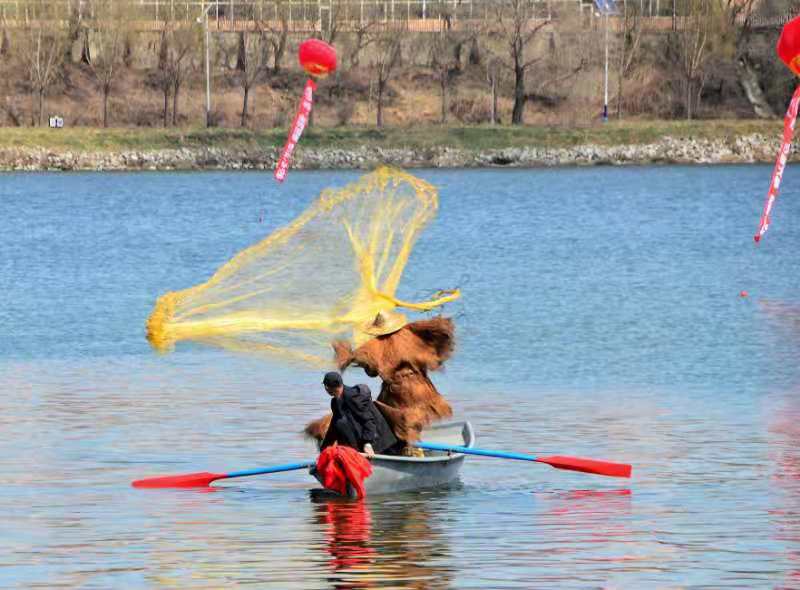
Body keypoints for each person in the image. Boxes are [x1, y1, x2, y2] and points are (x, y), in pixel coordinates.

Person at [319, 371, 398, 457]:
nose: (325, 389)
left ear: (328, 387)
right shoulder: (335, 402)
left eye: (326, 386)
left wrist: (367, 443)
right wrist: (324, 449)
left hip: (378, 443)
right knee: (340, 424)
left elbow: (368, 420)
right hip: (364, 443)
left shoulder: (353, 397)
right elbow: (334, 427)